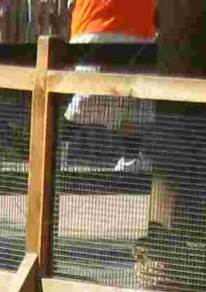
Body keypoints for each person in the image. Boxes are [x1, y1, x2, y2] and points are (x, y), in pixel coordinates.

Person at [63, 0, 155, 172]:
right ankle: (131, 158)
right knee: (130, 102)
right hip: (139, 32)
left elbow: (71, 6)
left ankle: (56, 150)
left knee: (80, 97)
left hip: (90, 27)